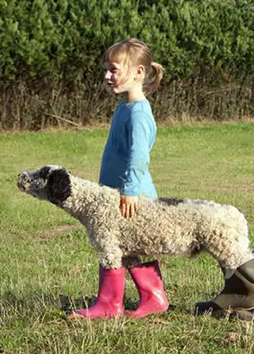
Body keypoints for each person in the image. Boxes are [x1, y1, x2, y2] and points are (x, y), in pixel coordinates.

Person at [69, 38, 169, 319]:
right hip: (118, 192)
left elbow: (139, 156)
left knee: (115, 244)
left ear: (138, 72)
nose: (107, 76)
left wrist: (130, 190)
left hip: (131, 196)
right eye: (106, 69)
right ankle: (142, 299)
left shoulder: (138, 112)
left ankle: (113, 304)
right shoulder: (125, 106)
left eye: (113, 69)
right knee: (123, 246)